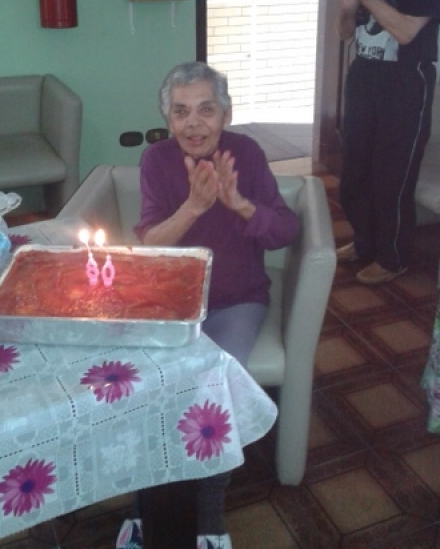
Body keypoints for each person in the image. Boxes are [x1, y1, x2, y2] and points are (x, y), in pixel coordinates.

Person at [116, 60, 299, 549]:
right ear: (168, 119)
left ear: (226, 113)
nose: (194, 123)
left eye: (206, 110)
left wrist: (241, 205)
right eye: (181, 112)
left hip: (237, 300)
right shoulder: (157, 160)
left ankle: (210, 522)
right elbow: (153, 245)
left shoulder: (247, 153)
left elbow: (286, 230)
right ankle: (145, 515)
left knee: (211, 396)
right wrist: (194, 207)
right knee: (142, 391)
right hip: (173, 303)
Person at [328, 0, 440, 285]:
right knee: (355, 171)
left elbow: (407, 32)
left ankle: (392, 258)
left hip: (406, 84)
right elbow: (346, 35)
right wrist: (345, 6)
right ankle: (364, 242)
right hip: (365, 80)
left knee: (392, 176)